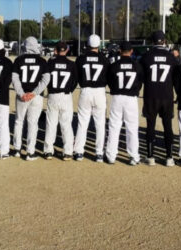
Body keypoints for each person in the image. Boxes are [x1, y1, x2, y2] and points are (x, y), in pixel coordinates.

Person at [139, 30, 178, 166]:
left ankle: (150, 156)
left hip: (151, 95)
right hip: (167, 95)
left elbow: (141, 76)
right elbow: (176, 77)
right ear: (164, 41)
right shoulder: (171, 57)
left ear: (152, 42)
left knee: (150, 125)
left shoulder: (146, 57)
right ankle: (169, 157)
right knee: (168, 126)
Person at [105, 41, 143, 165]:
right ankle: (134, 157)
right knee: (132, 128)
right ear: (131, 51)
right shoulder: (137, 65)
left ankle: (111, 155)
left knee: (114, 126)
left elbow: (109, 81)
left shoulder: (114, 65)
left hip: (117, 97)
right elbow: (140, 82)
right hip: (131, 98)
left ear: (120, 51)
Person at [12, 36, 49, 160]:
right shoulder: (42, 61)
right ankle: (30, 152)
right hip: (36, 96)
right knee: (33, 123)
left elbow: (15, 79)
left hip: (21, 96)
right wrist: (34, 93)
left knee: (19, 121)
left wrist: (22, 93)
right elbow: (46, 79)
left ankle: (17, 149)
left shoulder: (18, 60)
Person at [74, 34, 109, 162]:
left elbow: (77, 77)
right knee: (100, 124)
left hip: (86, 90)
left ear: (88, 45)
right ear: (98, 45)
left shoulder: (81, 58)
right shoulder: (105, 59)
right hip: (100, 92)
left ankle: (79, 152)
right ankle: (99, 153)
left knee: (82, 123)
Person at [44, 41, 78, 161]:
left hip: (53, 95)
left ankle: (48, 151)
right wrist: (70, 90)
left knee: (51, 124)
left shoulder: (50, 63)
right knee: (66, 124)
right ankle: (68, 151)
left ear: (56, 50)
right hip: (65, 95)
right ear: (67, 50)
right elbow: (76, 81)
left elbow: (45, 78)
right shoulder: (71, 64)